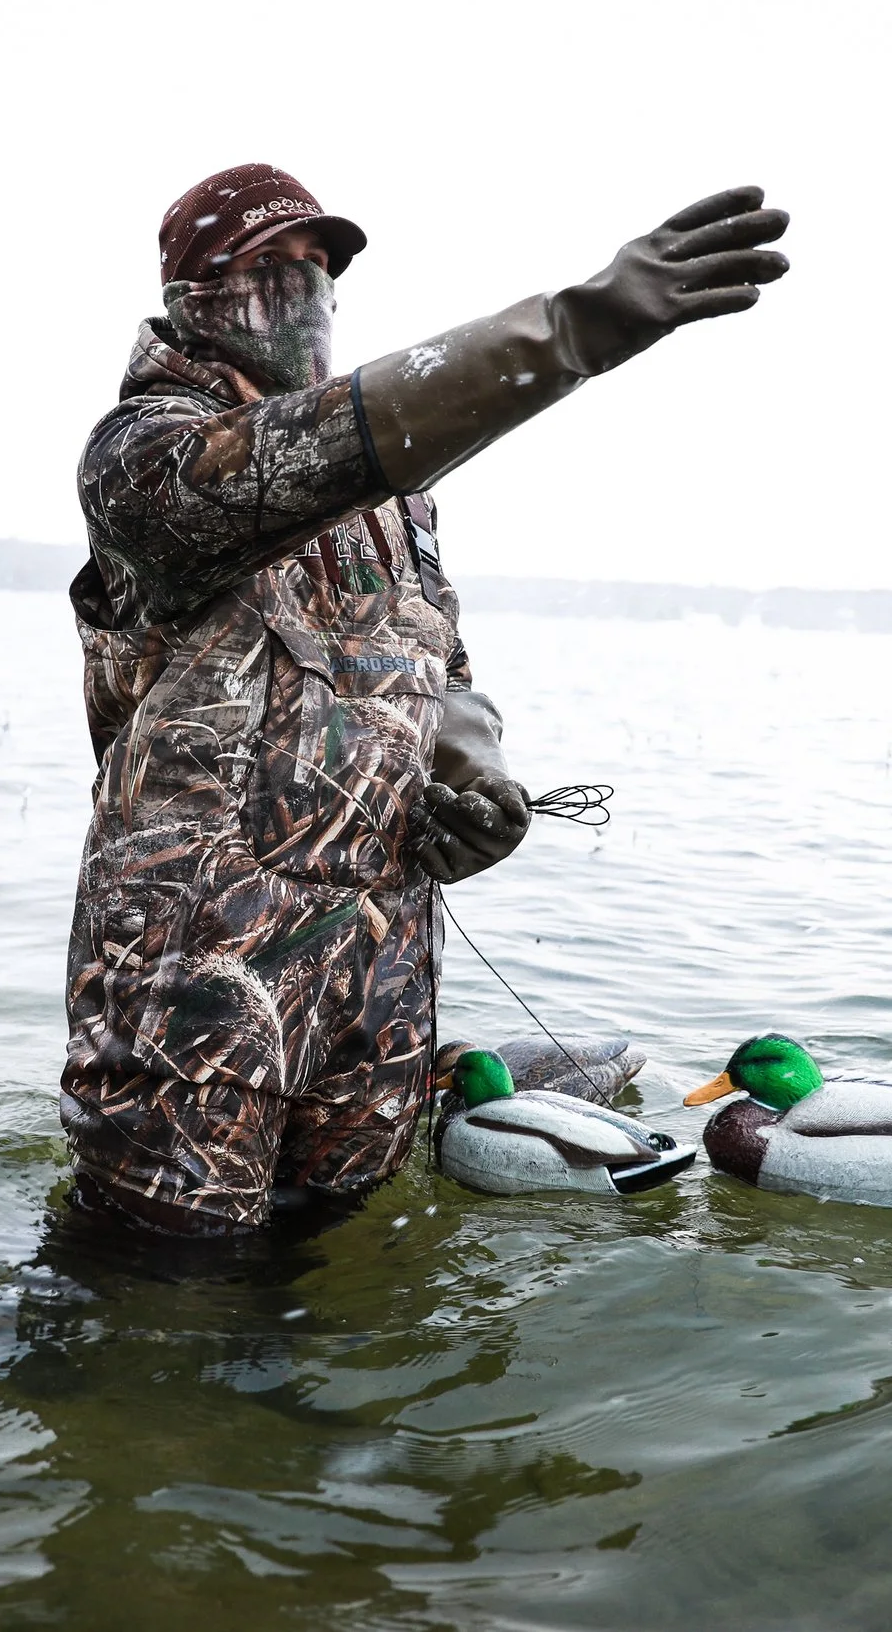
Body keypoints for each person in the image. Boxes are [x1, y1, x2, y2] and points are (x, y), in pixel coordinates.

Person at [61, 163, 789, 1237]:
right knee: (163, 1279)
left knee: (347, 1258)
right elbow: (298, 456)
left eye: (319, 266)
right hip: (196, 971)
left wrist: (477, 784)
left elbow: (439, 666)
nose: (305, 288)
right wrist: (571, 331)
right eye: (271, 266)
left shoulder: (397, 503)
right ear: (192, 294)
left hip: (380, 960)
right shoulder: (143, 458)